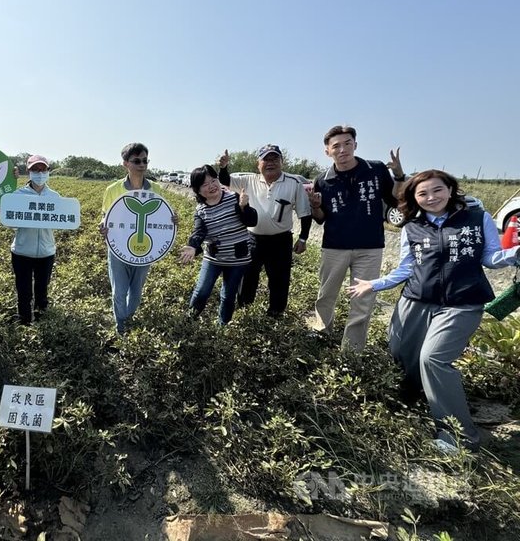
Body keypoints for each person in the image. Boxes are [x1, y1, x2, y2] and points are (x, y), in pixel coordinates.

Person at [348, 170, 518, 452]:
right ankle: (415, 401)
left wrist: (515, 254)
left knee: (433, 359)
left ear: (450, 190)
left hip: (461, 303)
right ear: (414, 198)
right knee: (402, 352)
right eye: (422, 193)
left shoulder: (477, 218)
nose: (431, 197)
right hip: (416, 299)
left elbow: (491, 257)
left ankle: (458, 436)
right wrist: (374, 284)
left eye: (437, 190)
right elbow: (405, 268)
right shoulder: (412, 226)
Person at [308, 125, 406, 352]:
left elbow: (395, 201)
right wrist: (315, 206)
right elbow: (321, 218)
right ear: (327, 151)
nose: (342, 150)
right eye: (336, 146)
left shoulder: (376, 170)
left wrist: (399, 175)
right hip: (334, 247)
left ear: (355, 145)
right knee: (326, 294)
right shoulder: (322, 180)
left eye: (347, 144)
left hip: (369, 248)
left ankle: (351, 352)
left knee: (363, 301)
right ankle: (322, 335)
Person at [217, 145, 312, 317]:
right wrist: (223, 167)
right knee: (247, 278)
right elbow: (225, 181)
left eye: (275, 159)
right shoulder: (248, 180)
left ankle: (275, 314)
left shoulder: (294, 183)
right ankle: (245, 311)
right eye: (266, 159)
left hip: (281, 241)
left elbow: (305, 213)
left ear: (282, 162)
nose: (270, 163)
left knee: (279, 280)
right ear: (258, 163)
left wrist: (303, 238)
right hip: (252, 238)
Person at [100, 143, 177, 334]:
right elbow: (105, 215)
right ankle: (121, 329)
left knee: (136, 293)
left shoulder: (156, 189)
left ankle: (127, 319)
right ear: (125, 163)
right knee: (119, 292)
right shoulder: (113, 189)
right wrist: (103, 224)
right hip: (118, 248)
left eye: (145, 160)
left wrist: (172, 219)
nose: (142, 164)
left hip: (145, 250)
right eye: (137, 161)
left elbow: (161, 215)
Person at [179, 165, 258, 325]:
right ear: (198, 190)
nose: (211, 186)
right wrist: (193, 246)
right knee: (201, 292)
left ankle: (222, 326)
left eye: (213, 180)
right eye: (205, 184)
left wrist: (244, 207)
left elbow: (252, 221)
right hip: (213, 258)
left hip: (238, 259)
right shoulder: (201, 210)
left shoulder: (234, 198)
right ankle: (188, 322)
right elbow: (198, 232)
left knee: (228, 296)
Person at [9, 155, 59, 324]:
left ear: (48, 171)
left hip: (46, 251)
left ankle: (41, 321)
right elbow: (9, 221)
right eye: (35, 169)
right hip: (22, 251)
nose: (39, 173)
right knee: (23, 290)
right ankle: (24, 321)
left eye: (43, 169)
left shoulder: (55, 197)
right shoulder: (17, 195)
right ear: (28, 172)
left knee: (42, 289)